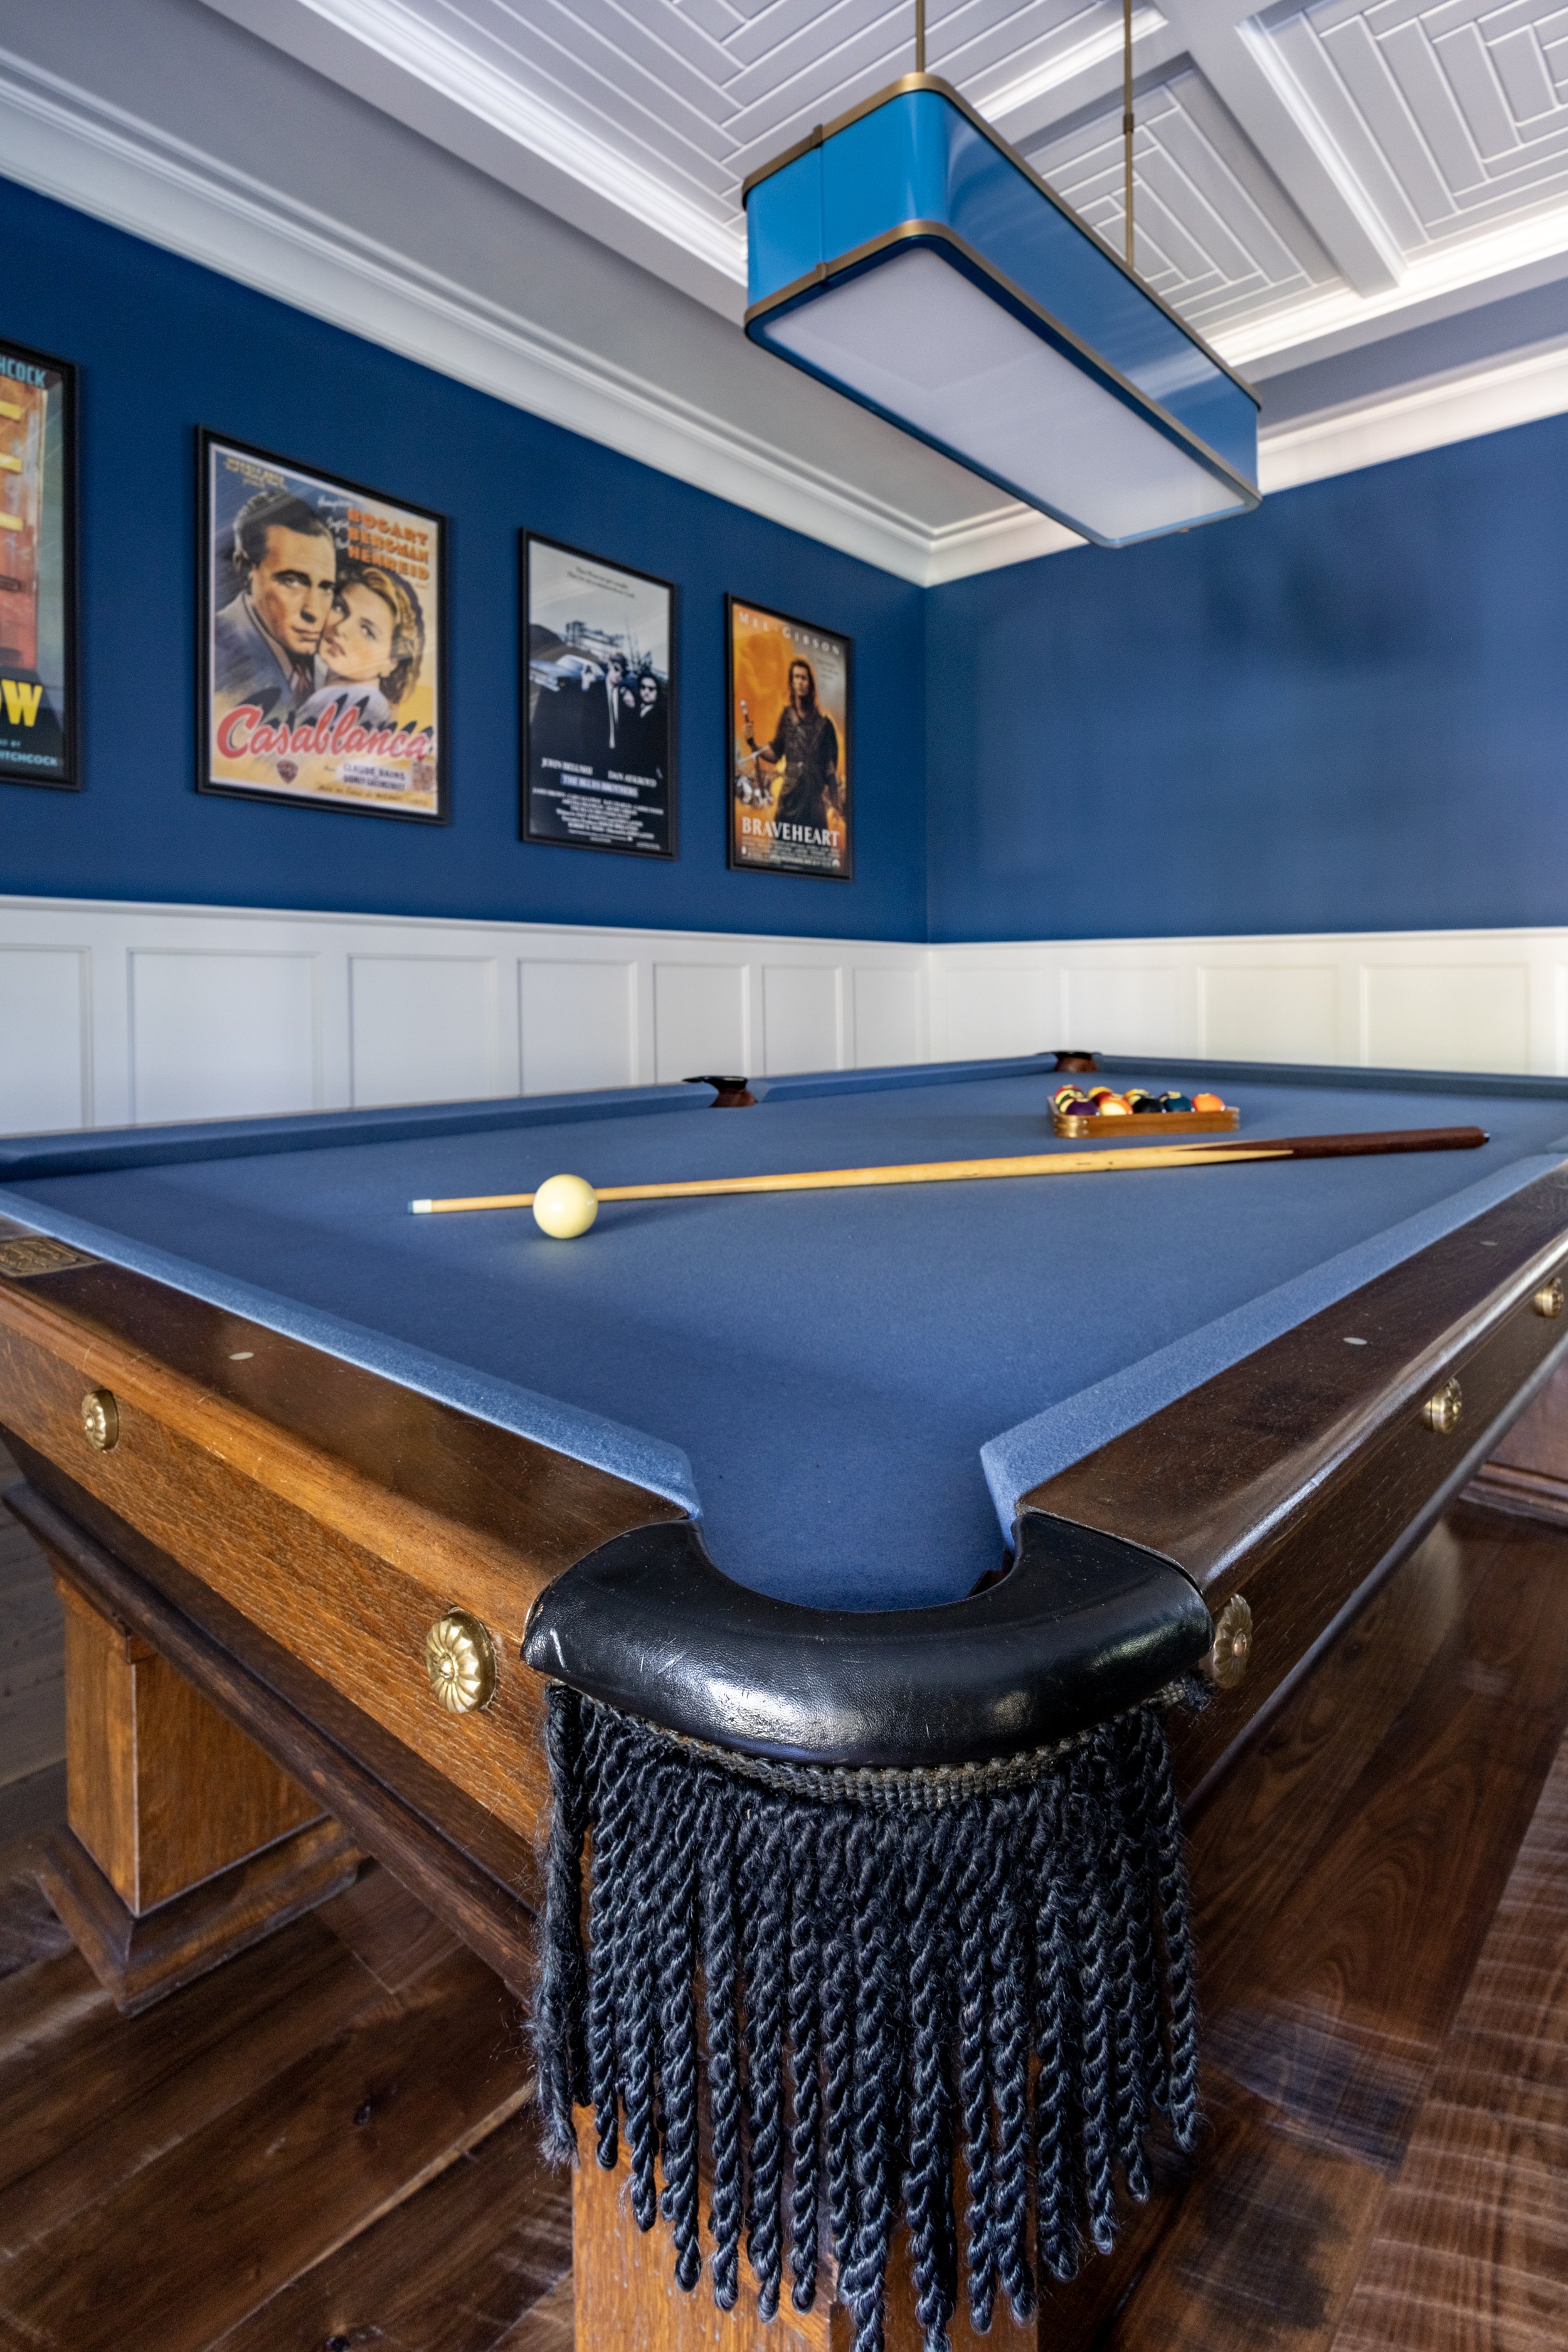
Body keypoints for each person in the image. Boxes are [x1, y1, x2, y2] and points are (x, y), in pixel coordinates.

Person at [213, 489, 339, 716]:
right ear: (244, 570)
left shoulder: (330, 666)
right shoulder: (217, 654)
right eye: (292, 581)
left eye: (326, 587)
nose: (314, 611)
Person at [294, 560, 425, 732]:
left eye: (367, 631)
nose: (341, 629)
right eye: (340, 608)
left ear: (392, 662)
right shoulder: (356, 699)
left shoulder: (353, 702)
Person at [744, 657, 840, 834]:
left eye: (804, 678)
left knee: (818, 856)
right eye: (796, 677)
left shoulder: (825, 726)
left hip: (814, 804)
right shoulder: (786, 718)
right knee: (781, 856)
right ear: (791, 682)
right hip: (790, 802)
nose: (800, 682)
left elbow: (830, 770)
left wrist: (836, 806)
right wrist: (753, 744)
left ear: (810, 684)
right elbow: (774, 754)